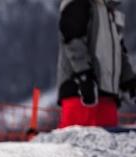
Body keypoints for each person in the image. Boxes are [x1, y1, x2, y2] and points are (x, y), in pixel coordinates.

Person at [58, 0, 136, 128]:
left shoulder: (109, 11)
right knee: (78, 145)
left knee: (106, 146)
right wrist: (84, 76)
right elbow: (73, 41)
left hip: (108, 98)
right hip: (81, 96)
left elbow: (119, 51)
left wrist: (129, 80)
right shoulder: (78, 4)